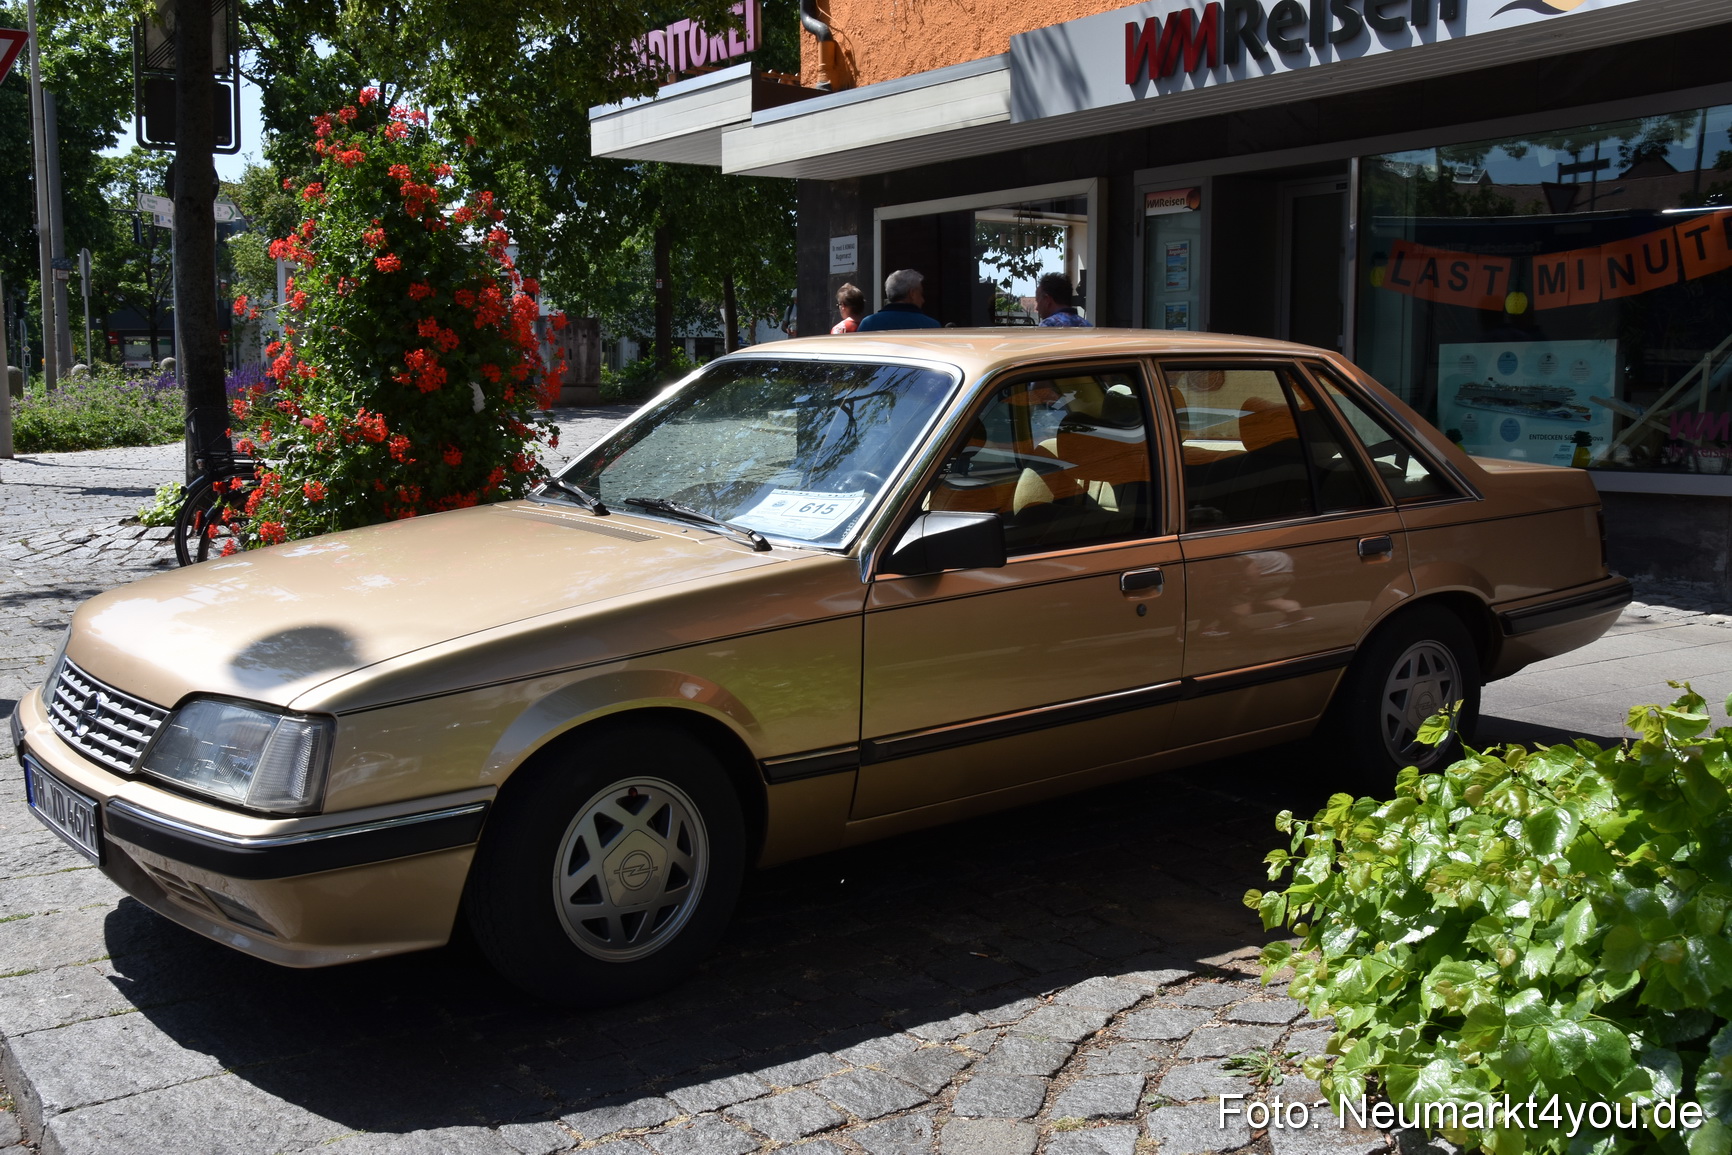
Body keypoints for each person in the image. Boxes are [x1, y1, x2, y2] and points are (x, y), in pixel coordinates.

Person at [856, 269, 942, 331]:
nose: (923, 300)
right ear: (912, 294)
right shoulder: (931, 326)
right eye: (921, 294)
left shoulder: (869, 324)